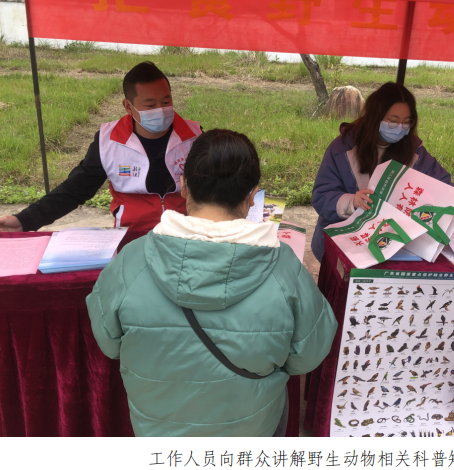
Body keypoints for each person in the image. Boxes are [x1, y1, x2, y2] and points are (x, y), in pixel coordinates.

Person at [86, 129, 337, 437]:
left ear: (183, 185)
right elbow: (307, 356)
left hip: (159, 431)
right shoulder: (286, 269)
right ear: (252, 196)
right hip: (251, 426)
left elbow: (109, 344)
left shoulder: (130, 262)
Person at [0, 62, 202, 232]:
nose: (161, 110)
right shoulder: (109, 140)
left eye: (166, 101)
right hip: (130, 238)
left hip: (186, 235)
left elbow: (215, 190)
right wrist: (24, 220)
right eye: (150, 105)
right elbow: (76, 188)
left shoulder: (195, 137)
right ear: (128, 106)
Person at [311, 82, 454, 262]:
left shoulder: (414, 151)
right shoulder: (342, 148)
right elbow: (321, 196)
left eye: (406, 122)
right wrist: (352, 202)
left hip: (393, 241)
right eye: (393, 121)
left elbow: (445, 186)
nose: (400, 128)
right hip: (347, 239)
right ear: (375, 117)